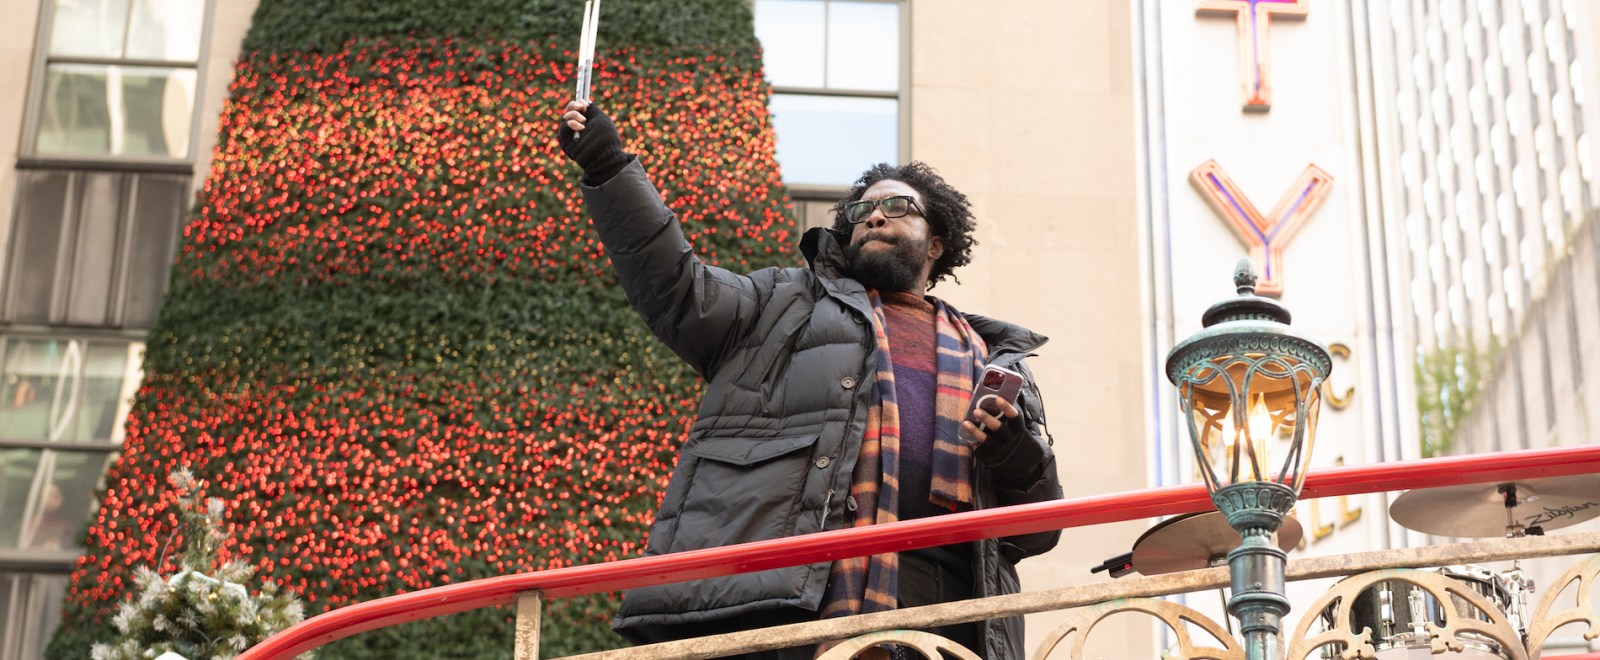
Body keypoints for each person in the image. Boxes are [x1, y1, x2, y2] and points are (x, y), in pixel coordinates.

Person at [557, 100, 1063, 660]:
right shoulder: (778, 303)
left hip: (957, 621)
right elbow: (675, 285)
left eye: (896, 206)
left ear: (936, 243)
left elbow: (1036, 531)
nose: (873, 216)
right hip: (796, 606)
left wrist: (1013, 452)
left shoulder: (996, 360)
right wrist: (609, 168)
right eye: (860, 211)